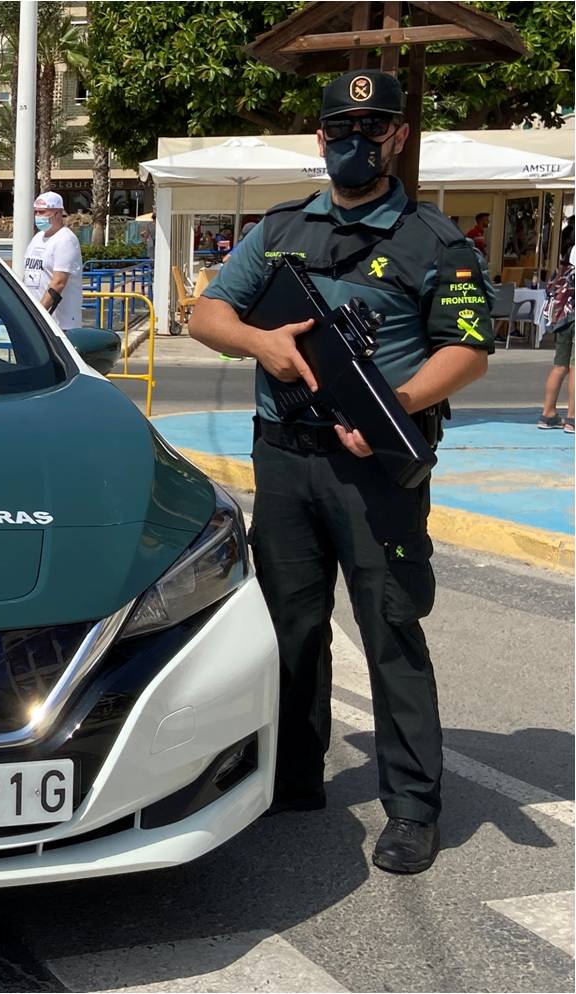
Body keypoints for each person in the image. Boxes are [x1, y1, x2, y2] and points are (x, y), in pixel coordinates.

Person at [188, 70, 494, 876]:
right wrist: (264, 344)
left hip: (374, 469)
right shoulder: (283, 227)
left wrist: (393, 403)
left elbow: (467, 350)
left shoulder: (436, 241)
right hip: (284, 460)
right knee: (288, 627)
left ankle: (413, 807)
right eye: (339, 129)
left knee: (391, 629)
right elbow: (207, 312)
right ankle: (291, 778)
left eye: (373, 127)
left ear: (397, 136)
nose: (353, 141)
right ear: (320, 137)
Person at [19, 191, 83, 331]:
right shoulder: (37, 238)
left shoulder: (66, 240)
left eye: (43, 212)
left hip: (59, 323)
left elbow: (59, 282)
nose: (38, 216)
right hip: (36, 320)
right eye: (36, 212)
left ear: (58, 213)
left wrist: (39, 314)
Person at [537, 248, 574, 431]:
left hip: (562, 318)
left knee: (560, 366)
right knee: (575, 367)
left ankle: (548, 414)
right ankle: (572, 418)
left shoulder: (563, 269)